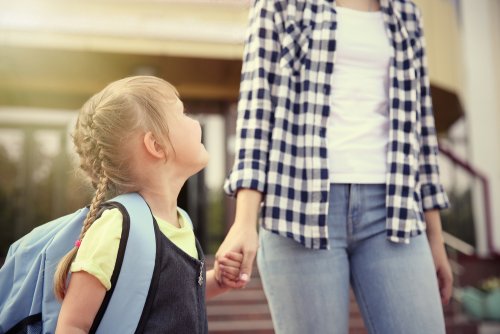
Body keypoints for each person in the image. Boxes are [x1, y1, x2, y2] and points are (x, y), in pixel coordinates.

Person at [215, 0, 453, 333]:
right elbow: (257, 107)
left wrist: (435, 237)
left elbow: (421, 126)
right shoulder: (281, 5)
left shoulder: (406, 11)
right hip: (298, 209)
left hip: (394, 211)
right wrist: (244, 221)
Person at [54, 76, 244, 333]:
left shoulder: (180, 221)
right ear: (156, 145)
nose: (195, 122)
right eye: (182, 113)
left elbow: (166, 301)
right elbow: (73, 324)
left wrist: (217, 282)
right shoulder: (117, 228)